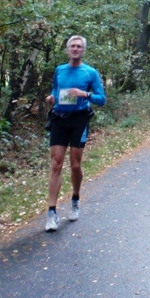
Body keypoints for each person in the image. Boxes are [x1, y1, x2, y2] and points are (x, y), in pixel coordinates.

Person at [43, 35, 105, 232]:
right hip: (59, 119)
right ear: (67, 49)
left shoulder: (90, 73)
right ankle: (52, 213)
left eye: (79, 46)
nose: (76, 49)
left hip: (79, 120)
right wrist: (52, 97)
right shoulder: (59, 70)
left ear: (83, 50)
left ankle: (75, 199)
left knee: (75, 165)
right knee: (56, 164)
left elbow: (101, 99)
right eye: (72, 46)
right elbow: (56, 89)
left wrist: (84, 94)